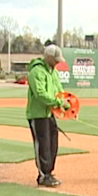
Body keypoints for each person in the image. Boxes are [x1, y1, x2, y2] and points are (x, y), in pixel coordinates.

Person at [26, 44, 70, 187]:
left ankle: (49, 173)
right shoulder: (36, 71)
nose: (58, 62)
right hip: (38, 114)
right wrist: (58, 101)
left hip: (50, 113)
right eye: (56, 59)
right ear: (49, 57)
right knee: (42, 145)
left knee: (52, 144)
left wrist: (66, 104)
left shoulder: (53, 72)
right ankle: (43, 175)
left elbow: (59, 90)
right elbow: (40, 94)